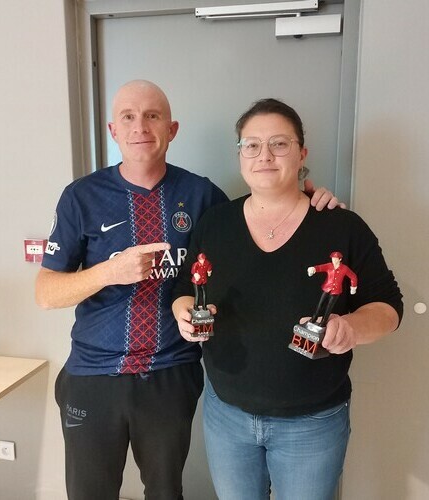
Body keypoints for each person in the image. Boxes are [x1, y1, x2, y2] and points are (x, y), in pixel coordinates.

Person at [35, 81, 342, 500]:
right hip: (93, 374)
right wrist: (110, 271)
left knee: (166, 492)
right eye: (128, 117)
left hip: (171, 373)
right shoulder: (81, 197)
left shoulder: (202, 196)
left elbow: (258, 217)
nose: (140, 127)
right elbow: (46, 293)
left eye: (153, 116)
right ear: (113, 130)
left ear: (172, 128)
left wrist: (308, 195)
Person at [172, 98, 403, 500]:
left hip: (312, 424)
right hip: (226, 416)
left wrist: (351, 328)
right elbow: (183, 288)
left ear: (301, 154)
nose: (264, 155)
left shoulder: (342, 226)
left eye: (279, 143)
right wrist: (183, 313)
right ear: (240, 155)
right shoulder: (215, 223)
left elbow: (389, 306)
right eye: (252, 145)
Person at [308, 250, 358, 326]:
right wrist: (313, 269)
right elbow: (320, 267)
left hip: (336, 291)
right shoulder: (329, 266)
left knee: (329, 307)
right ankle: (314, 318)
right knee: (320, 304)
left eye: (335, 259)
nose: (333, 260)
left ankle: (323, 322)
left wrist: (353, 287)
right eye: (332, 258)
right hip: (326, 288)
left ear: (340, 259)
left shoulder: (344, 268)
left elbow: (353, 276)